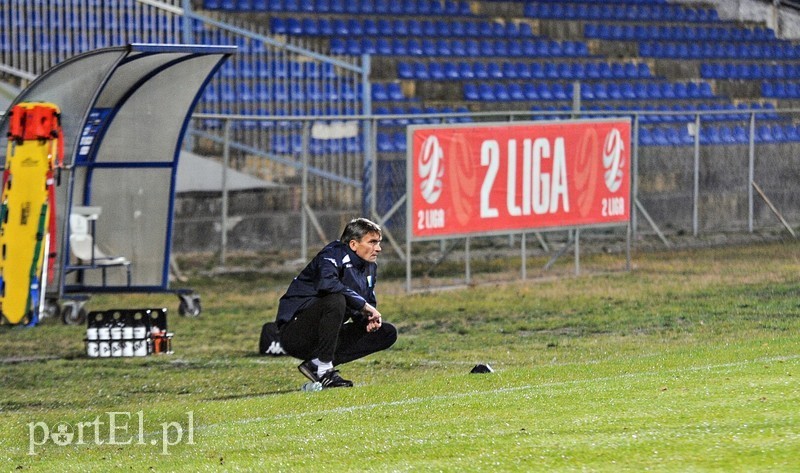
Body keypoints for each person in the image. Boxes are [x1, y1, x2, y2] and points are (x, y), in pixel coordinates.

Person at [275, 217, 397, 388]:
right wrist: (364, 307)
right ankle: (324, 370)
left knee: (387, 333)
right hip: (296, 333)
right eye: (372, 242)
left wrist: (367, 319)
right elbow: (328, 284)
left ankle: (316, 363)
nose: (378, 248)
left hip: (325, 335)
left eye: (378, 242)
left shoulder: (370, 266)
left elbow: (365, 302)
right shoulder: (332, 254)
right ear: (353, 244)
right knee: (335, 299)